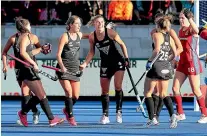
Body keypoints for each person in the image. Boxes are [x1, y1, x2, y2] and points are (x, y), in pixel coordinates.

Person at [13, 17, 64, 127]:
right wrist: (34, 63)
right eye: (29, 25)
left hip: (28, 69)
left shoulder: (27, 37)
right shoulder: (25, 37)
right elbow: (23, 53)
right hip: (26, 70)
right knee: (41, 96)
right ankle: (51, 119)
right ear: (26, 27)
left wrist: (42, 49)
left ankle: (23, 113)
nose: (31, 26)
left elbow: (32, 51)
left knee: (40, 96)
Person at [80, 15, 130, 124]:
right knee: (104, 90)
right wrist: (85, 64)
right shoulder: (92, 37)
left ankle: (119, 111)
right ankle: (105, 115)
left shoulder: (111, 33)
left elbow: (122, 44)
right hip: (105, 64)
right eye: (97, 22)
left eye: (102, 22)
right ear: (94, 23)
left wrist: (126, 58)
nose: (100, 24)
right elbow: (91, 52)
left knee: (118, 86)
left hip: (118, 62)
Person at [172, 8, 207, 123]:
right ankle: (180, 113)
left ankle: (204, 115)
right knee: (175, 88)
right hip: (182, 62)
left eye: (183, 18)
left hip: (192, 62)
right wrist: (176, 59)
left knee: (196, 90)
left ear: (188, 18)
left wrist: (190, 19)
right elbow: (180, 47)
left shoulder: (192, 29)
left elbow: (197, 31)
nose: (180, 20)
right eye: (180, 18)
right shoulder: (180, 30)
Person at [144, 15, 178, 128]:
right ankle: (172, 115)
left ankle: (151, 118)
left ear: (158, 25)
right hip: (166, 66)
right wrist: (167, 60)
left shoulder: (156, 35)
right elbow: (175, 53)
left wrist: (149, 61)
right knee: (164, 94)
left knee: (148, 93)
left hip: (156, 66)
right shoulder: (170, 37)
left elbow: (157, 50)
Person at [150, 13, 183, 123]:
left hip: (166, 62)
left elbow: (180, 48)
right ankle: (154, 116)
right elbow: (156, 50)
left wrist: (168, 58)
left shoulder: (171, 32)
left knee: (161, 91)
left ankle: (156, 116)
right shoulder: (153, 33)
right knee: (155, 90)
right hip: (156, 64)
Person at [56, 15, 89, 126]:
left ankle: (66, 109)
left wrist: (101, 32)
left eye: (80, 24)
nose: (79, 26)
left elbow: (90, 36)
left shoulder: (79, 35)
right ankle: (70, 117)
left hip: (75, 69)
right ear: (70, 25)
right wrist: (62, 67)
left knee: (75, 96)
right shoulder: (64, 36)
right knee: (68, 92)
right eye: (77, 23)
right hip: (63, 68)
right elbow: (58, 55)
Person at [2, 32, 41, 125]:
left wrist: (33, 53)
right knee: (26, 94)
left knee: (27, 91)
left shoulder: (32, 37)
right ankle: (34, 111)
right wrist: (4, 65)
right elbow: (4, 52)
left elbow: (40, 48)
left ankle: (24, 115)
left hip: (30, 68)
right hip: (19, 69)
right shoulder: (13, 39)